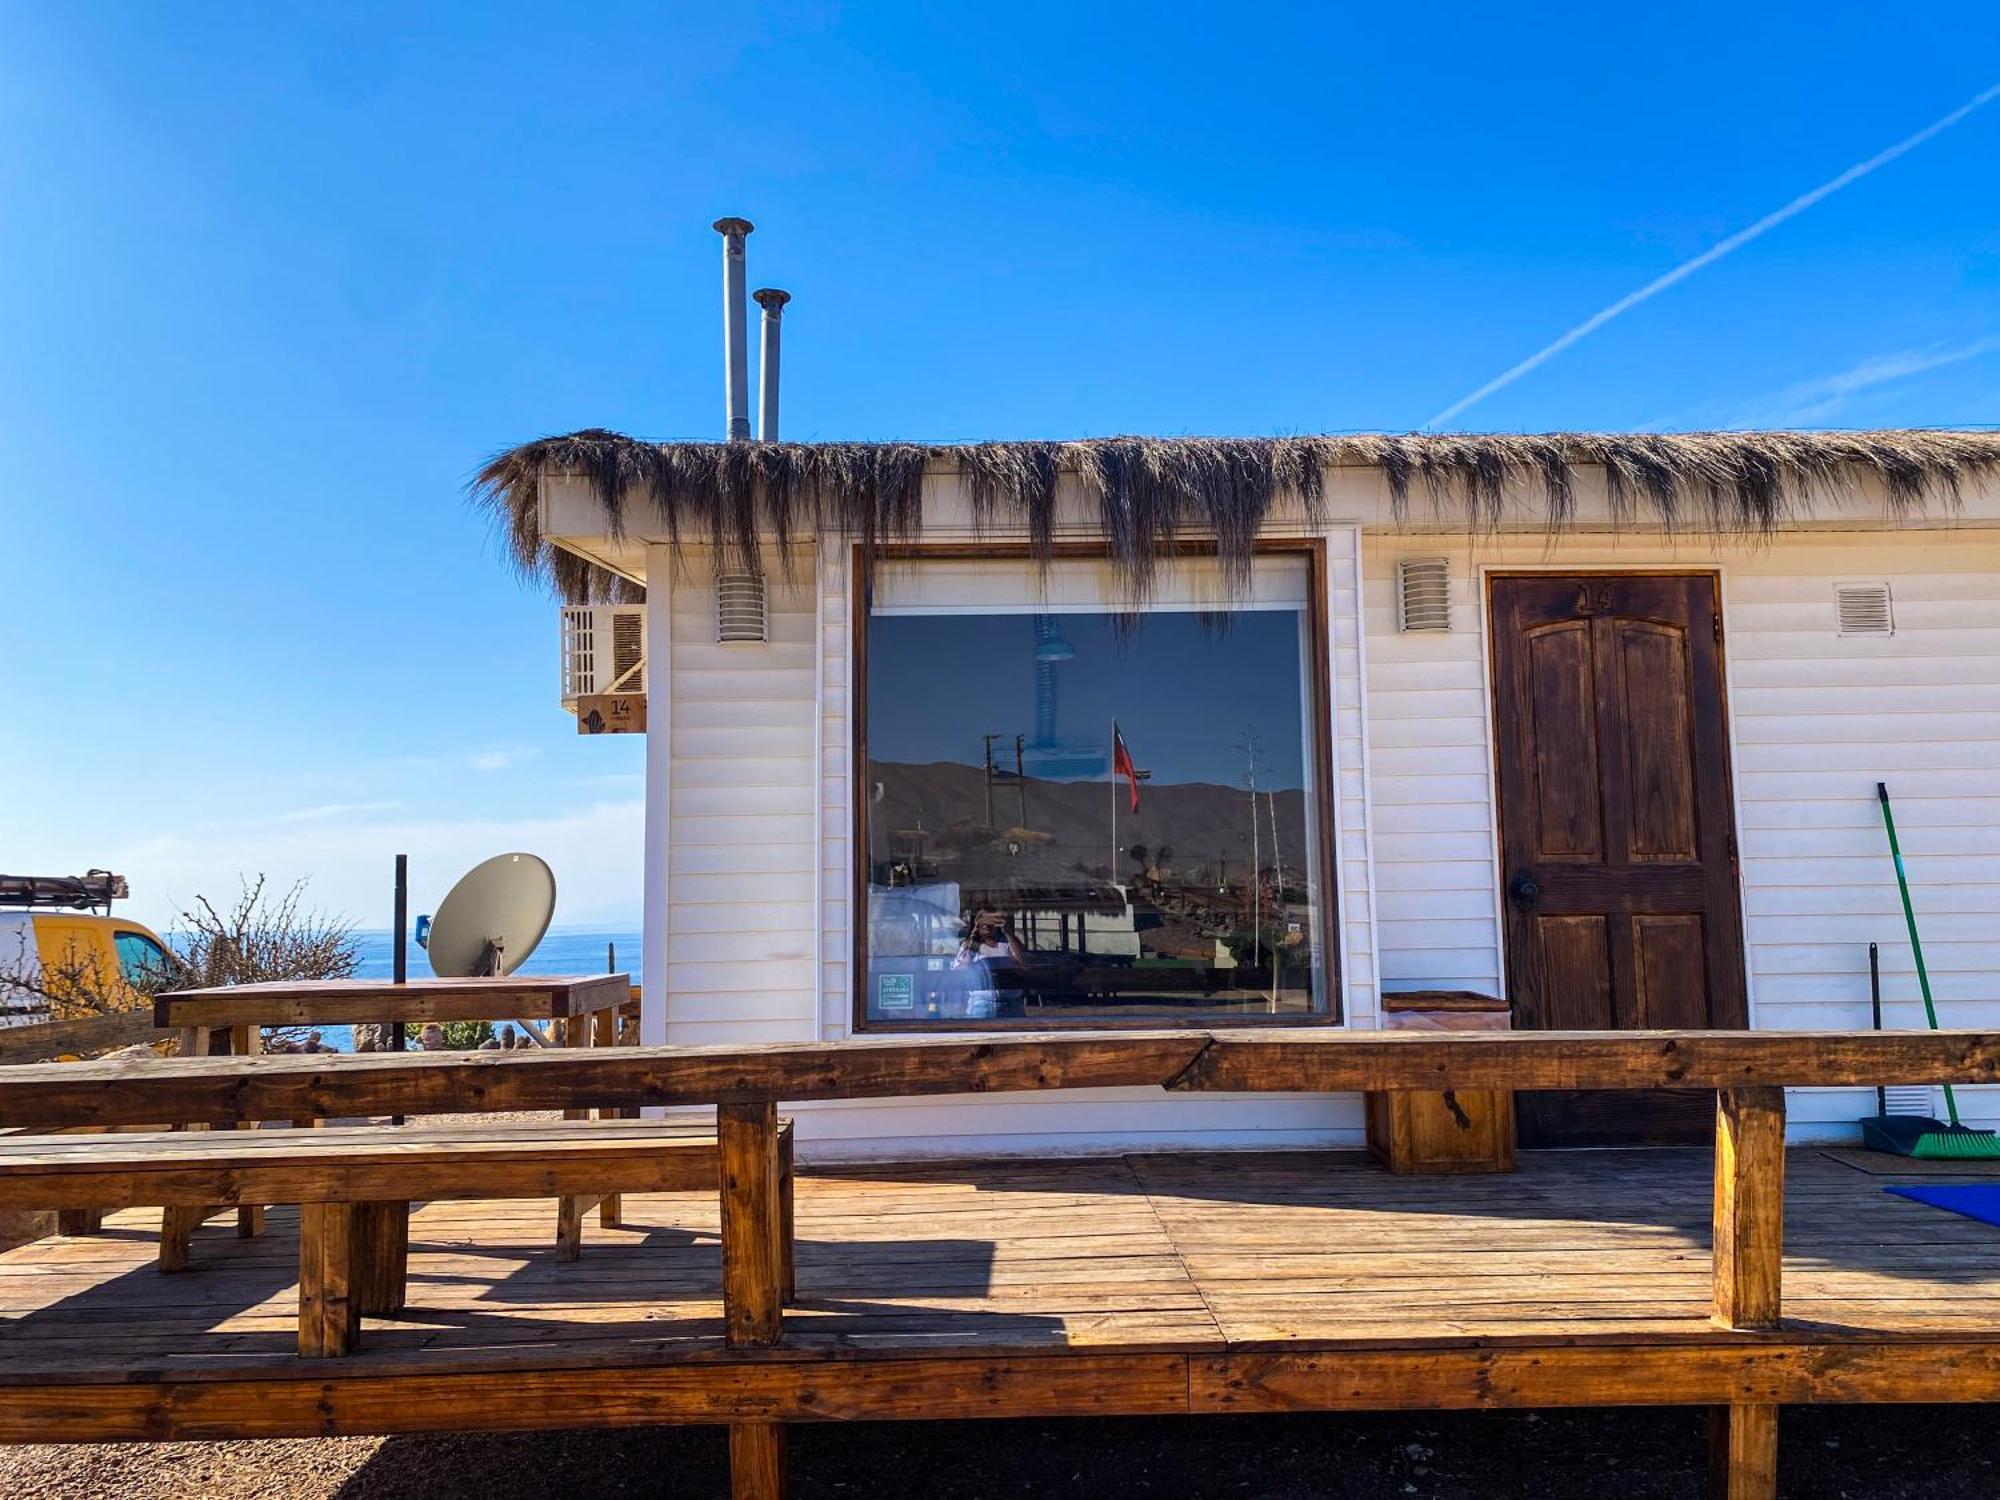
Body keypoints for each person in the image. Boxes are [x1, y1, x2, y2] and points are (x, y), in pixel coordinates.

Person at [954, 910, 1027, 969]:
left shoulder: (1006, 943)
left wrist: (1008, 933)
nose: (988, 925)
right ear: (978, 925)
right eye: (984, 922)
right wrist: (967, 961)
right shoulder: (969, 945)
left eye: (992, 922)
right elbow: (958, 973)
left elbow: (1022, 966)